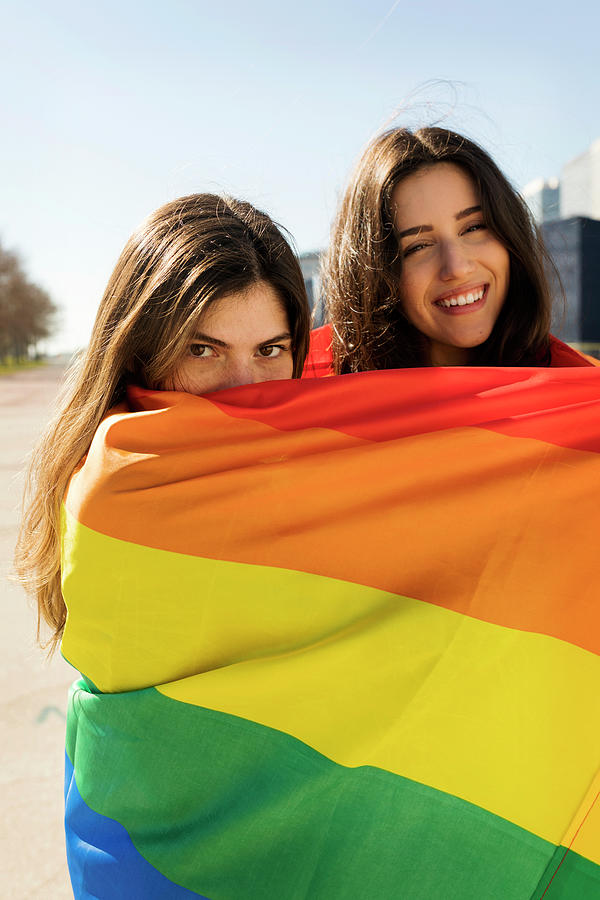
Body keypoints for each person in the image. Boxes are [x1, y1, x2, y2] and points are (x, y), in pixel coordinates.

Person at [15, 192, 310, 650]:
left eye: (269, 350)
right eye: (203, 350)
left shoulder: (322, 462)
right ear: (138, 354)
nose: (243, 388)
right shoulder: (115, 494)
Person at [311, 126, 597, 375]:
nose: (457, 267)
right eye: (418, 246)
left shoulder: (585, 398)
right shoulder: (307, 395)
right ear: (373, 276)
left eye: (473, 228)